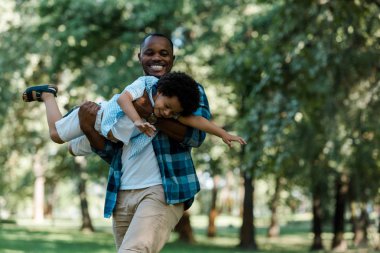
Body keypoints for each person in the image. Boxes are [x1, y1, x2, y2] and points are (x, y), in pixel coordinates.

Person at [71, 33, 239, 253]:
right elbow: (112, 151)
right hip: (122, 192)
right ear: (139, 56)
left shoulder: (188, 90)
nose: (156, 58)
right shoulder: (132, 96)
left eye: (164, 53)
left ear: (173, 59)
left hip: (164, 190)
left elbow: (195, 136)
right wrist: (88, 128)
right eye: (149, 53)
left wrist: (149, 114)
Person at [22, 72, 245, 150]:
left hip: (105, 135)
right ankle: (49, 95)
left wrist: (223, 134)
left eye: (172, 112)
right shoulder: (145, 85)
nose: (166, 113)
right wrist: (138, 120)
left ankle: (73, 118)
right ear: (161, 90)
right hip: (100, 115)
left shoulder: (172, 108)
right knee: (56, 136)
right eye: (165, 106)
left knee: (73, 149)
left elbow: (197, 121)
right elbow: (122, 99)